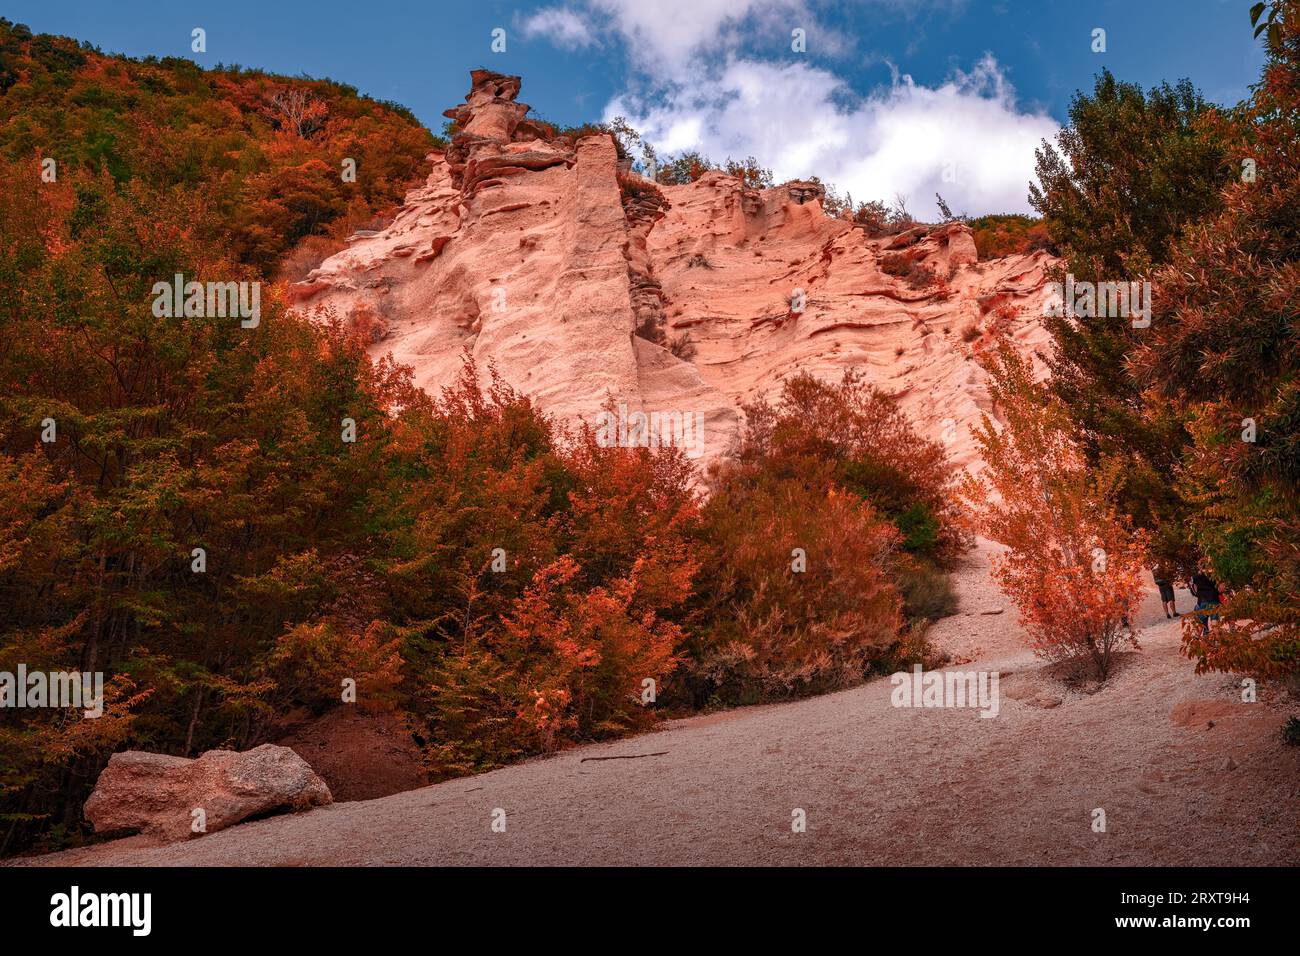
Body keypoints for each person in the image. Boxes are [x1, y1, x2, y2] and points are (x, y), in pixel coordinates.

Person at [1189, 570, 1222, 635]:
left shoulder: (1195, 577)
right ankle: (1218, 641)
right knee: (1214, 622)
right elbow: (1221, 588)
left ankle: (1197, 639)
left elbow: (1192, 589)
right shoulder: (1216, 576)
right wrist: (1217, 593)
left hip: (1202, 601)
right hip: (1214, 600)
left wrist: (1198, 595)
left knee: (1200, 623)